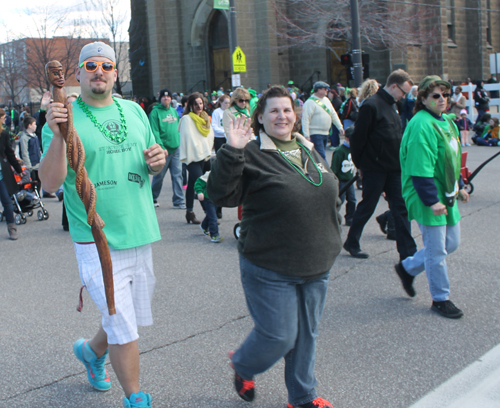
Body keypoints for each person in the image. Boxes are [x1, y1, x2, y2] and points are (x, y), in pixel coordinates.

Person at [39, 41, 166, 408]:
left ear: (115, 73)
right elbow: (49, 183)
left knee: (123, 317)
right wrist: (59, 137)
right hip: (97, 241)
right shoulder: (64, 115)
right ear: (78, 73)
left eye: (107, 66)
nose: (99, 71)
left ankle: (91, 353)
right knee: (123, 324)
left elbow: (152, 159)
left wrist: (157, 160)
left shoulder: (135, 111)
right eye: (90, 65)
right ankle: (136, 399)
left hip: (140, 231)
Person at [207, 86, 342, 408]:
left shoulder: (308, 148)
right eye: (273, 111)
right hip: (269, 264)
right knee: (279, 336)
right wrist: (232, 150)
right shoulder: (251, 152)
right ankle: (243, 364)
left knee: (306, 336)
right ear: (261, 118)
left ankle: (302, 397)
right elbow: (220, 195)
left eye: (286, 110)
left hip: (316, 262)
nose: (281, 116)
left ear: (295, 116)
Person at [397, 75, 469, 319]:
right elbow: (420, 168)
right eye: (436, 96)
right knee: (436, 251)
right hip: (426, 193)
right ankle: (441, 298)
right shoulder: (421, 125)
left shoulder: (447, 121)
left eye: (446, 95)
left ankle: (407, 268)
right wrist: (431, 200)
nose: (442, 100)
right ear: (423, 99)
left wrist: (461, 185)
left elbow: (452, 157)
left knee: (451, 243)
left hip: (446, 192)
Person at [344, 69, 417, 260]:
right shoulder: (371, 105)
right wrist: (360, 165)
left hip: (394, 168)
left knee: (401, 208)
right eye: (402, 91)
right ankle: (352, 241)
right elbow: (358, 139)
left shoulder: (394, 105)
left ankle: (407, 252)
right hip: (374, 168)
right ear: (393, 86)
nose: (403, 96)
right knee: (367, 206)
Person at [179, 92, 214, 224]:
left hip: (204, 156)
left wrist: (207, 148)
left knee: (192, 185)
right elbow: (188, 138)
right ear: (191, 106)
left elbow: (209, 135)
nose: (199, 106)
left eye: (201, 103)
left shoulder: (205, 118)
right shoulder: (187, 119)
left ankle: (189, 213)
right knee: (202, 184)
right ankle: (210, 215)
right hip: (192, 157)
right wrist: (198, 150)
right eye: (196, 104)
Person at [149, 88, 186, 209]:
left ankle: (179, 200)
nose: (166, 99)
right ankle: (152, 198)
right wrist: (161, 146)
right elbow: (154, 131)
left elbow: (177, 128)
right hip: (163, 150)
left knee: (178, 175)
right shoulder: (155, 113)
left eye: (168, 97)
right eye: (164, 97)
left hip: (176, 148)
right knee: (159, 176)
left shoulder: (174, 111)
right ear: (160, 99)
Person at [301, 81, 344, 160]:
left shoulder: (327, 100)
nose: (327, 90)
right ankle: (326, 171)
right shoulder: (309, 103)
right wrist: (306, 135)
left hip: (325, 133)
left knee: (319, 156)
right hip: (315, 134)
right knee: (321, 156)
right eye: (325, 89)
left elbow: (333, 114)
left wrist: (340, 127)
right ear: (319, 90)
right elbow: (305, 119)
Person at [0, 108, 23, 240]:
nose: (5, 120)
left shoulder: (3, 134)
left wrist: (19, 169)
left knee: (7, 201)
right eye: (3, 117)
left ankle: (12, 227)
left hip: (2, 173)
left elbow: (9, 153)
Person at [331, 126, 356, 225]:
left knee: (352, 200)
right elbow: (334, 168)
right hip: (341, 180)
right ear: (347, 138)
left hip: (350, 179)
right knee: (339, 200)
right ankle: (334, 218)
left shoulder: (354, 149)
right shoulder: (340, 151)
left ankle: (350, 218)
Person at [194, 170, 222, 242]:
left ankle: (204, 226)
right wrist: (199, 192)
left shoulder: (226, 174)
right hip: (208, 199)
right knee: (213, 217)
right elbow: (198, 182)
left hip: (217, 199)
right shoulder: (210, 174)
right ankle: (215, 235)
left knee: (210, 215)